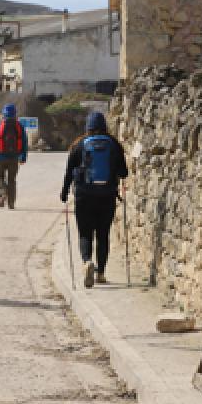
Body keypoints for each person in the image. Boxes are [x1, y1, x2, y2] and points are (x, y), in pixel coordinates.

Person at [60, 111, 128, 288]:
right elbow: (124, 173)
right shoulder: (114, 144)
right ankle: (101, 273)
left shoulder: (79, 145)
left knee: (85, 233)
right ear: (105, 126)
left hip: (84, 196)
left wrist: (64, 193)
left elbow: (69, 172)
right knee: (103, 234)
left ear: (87, 128)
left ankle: (86, 262)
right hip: (107, 196)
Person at [0, 104, 27, 209]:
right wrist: (23, 157)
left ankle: (3, 193)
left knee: (0, 176)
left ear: (3, 113)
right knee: (12, 180)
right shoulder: (19, 125)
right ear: (15, 113)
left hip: (0, 157)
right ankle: (11, 203)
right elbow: (24, 142)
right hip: (14, 158)